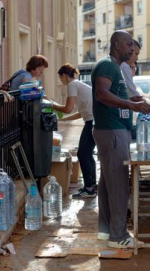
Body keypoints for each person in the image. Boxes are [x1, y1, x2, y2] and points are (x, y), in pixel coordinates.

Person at [92, 30, 150, 248]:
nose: (132, 49)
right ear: (117, 45)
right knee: (118, 185)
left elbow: (116, 94)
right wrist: (131, 105)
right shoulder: (108, 65)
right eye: (128, 45)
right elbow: (102, 93)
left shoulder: (114, 67)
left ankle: (106, 231)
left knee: (109, 183)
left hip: (114, 131)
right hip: (112, 131)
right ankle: (118, 237)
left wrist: (137, 102)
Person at [48, 63, 96, 199]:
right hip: (93, 120)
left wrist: (51, 104)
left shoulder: (72, 85)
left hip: (92, 122)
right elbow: (80, 113)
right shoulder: (79, 85)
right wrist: (63, 120)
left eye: (60, 78)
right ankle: (92, 185)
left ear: (64, 76)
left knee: (82, 154)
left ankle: (89, 189)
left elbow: (68, 108)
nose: (61, 81)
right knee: (88, 154)